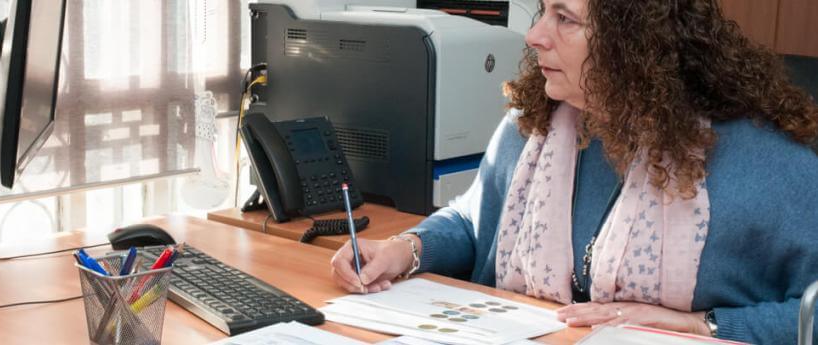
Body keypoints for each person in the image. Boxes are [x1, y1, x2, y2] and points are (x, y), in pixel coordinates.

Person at [330, 0, 818, 343]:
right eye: (543, 11)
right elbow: (477, 222)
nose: (535, 36)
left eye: (564, 18)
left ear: (636, 45)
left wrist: (705, 326)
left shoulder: (766, 162)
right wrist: (406, 249)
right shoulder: (532, 127)